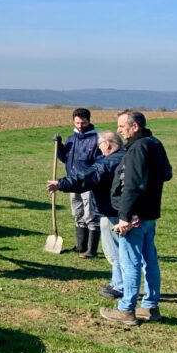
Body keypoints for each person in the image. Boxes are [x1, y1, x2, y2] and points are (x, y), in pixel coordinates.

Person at [100, 110, 172, 326]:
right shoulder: (155, 143)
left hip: (135, 216)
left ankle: (126, 309)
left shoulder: (138, 148)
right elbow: (166, 173)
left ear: (135, 126)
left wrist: (125, 216)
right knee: (150, 261)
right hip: (149, 214)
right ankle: (150, 306)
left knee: (130, 262)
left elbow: (133, 184)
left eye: (122, 126)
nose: (119, 131)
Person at [48, 130, 125, 299]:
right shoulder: (125, 157)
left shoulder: (109, 162)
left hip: (112, 212)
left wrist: (61, 183)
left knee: (115, 253)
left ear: (108, 145)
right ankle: (117, 283)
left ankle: (120, 287)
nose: (100, 149)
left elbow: (88, 176)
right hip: (118, 211)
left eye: (100, 146)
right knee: (119, 252)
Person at [54, 108, 100, 257]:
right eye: (77, 122)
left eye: (83, 122)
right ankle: (80, 246)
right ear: (74, 121)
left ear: (89, 121)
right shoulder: (71, 139)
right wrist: (59, 145)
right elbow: (65, 159)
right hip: (72, 183)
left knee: (91, 215)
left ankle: (91, 250)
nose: (80, 125)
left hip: (89, 184)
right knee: (77, 213)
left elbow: (99, 165)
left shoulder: (95, 140)